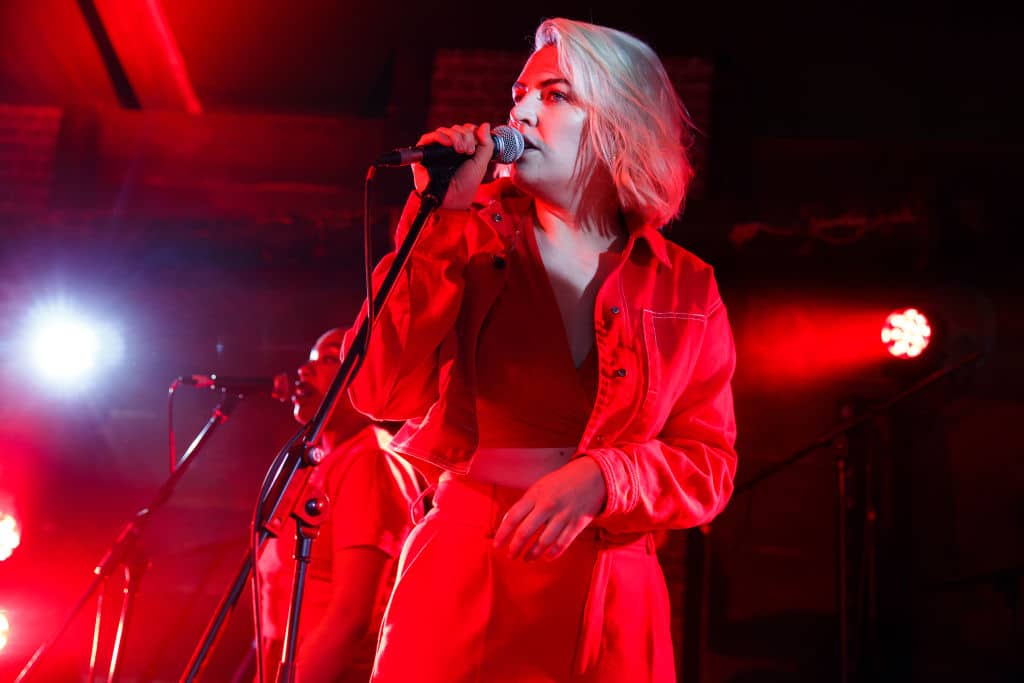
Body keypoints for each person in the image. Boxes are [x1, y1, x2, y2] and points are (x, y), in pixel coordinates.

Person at [347, 17, 738, 682]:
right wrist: (438, 221)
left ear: (620, 122)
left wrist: (606, 475)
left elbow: (708, 465)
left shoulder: (687, 285)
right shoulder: (465, 236)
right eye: (518, 95)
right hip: (471, 569)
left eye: (554, 95)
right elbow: (379, 390)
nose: (523, 109)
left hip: (615, 596)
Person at [255, 327, 424, 683]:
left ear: (368, 379)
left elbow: (351, 618)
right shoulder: (323, 461)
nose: (305, 369)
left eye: (330, 358)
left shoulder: (370, 461)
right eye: (311, 358)